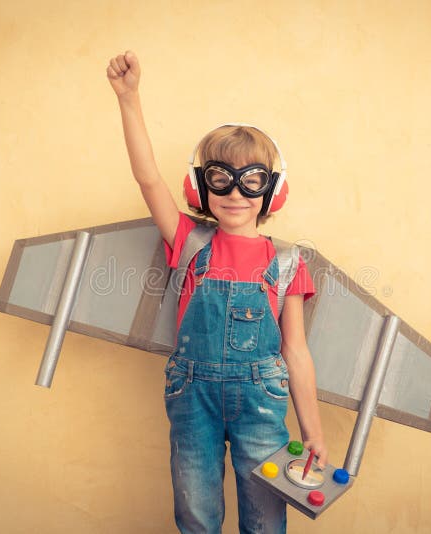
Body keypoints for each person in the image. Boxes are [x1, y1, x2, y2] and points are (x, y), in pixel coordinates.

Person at [106, 50, 328, 534]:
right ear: (199, 185)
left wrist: (313, 431)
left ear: (272, 192)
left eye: (251, 183)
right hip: (193, 396)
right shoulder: (187, 239)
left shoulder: (289, 261)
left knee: (266, 518)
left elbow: (296, 351)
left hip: (262, 402)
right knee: (196, 513)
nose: (234, 194)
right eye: (220, 179)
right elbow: (147, 178)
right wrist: (129, 98)